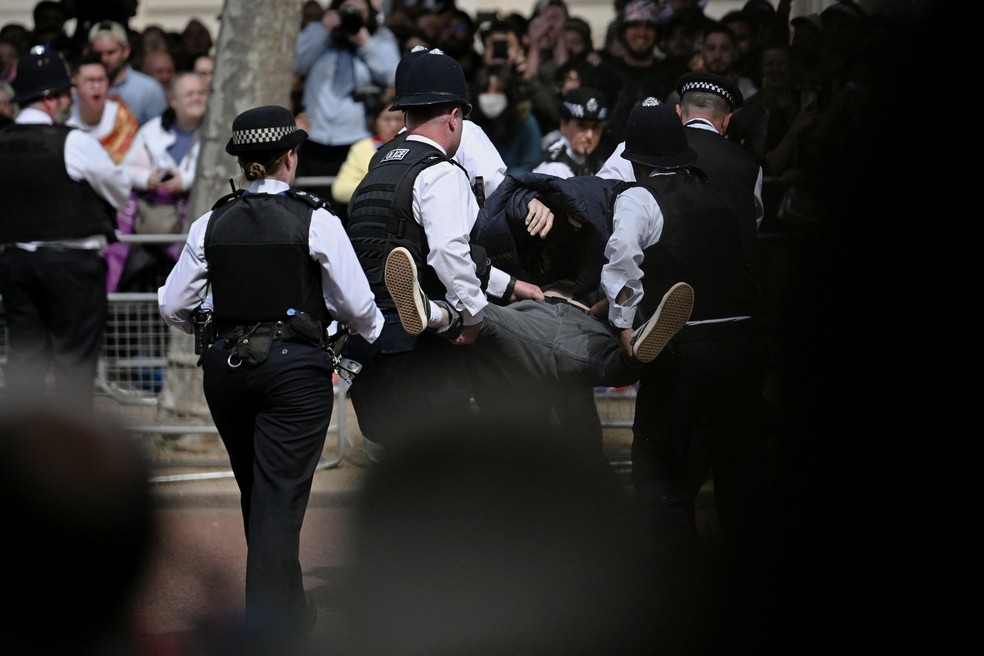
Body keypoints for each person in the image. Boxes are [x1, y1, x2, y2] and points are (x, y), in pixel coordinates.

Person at [157, 104, 384, 633]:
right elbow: (356, 305)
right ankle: (266, 627)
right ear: (289, 156)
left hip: (226, 369)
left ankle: (288, 607)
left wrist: (215, 329)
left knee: (259, 492)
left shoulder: (210, 222)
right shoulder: (315, 219)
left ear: (242, 161)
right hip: (295, 373)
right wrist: (369, 339)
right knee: (277, 498)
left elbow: (172, 305)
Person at [343, 48, 548, 448]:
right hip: (421, 353)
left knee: (401, 477)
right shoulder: (439, 172)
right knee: (440, 481)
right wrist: (472, 317)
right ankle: (433, 311)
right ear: (455, 117)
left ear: (403, 114)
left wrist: (511, 286)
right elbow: (450, 254)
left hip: (369, 347)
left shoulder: (375, 169)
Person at [603, 99, 771, 566]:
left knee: (663, 484)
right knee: (737, 477)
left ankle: (675, 598)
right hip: (742, 346)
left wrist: (623, 325)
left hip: (686, 353)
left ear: (634, 157)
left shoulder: (639, 196)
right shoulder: (711, 192)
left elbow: (621, 256)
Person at [0, 46, 129, 412]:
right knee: (74, 365)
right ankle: (68, 460)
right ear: (54, 99)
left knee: (25, 361)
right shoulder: (73, 141)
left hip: (16, 265)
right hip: (71, 266)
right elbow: (118, 190)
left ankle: (19, 455)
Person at [294, 0, 400, 199]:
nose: (352, 15)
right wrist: (323, 30)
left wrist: (365, 42)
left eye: (359, 11)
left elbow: (394, 74)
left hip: (356, 136)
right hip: (316, 134)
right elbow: (296, 64)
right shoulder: (319, 33)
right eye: (347, 10)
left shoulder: (380, 37)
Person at [114, 71, 207, 294]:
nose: (197, 98)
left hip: (198, 223)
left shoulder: (215, 131)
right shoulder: (152, 131)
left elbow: (224, 169)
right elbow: (125, 170)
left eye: (201, 93)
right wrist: (147, 178)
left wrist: (185, 181)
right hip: (154, 227)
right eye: (190, 94)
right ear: (173, 101)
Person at [330, 90, 404, 209]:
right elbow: (340, 190)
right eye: (387, 120)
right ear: (375, 122)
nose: (393, 126)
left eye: (398, 119)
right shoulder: (362, 148)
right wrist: (379, 187)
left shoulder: (413, 145)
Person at [86, 20, 167, 125]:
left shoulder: (148, 90)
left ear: (126, 51)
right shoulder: (81, 89)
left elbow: (162, 134)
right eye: (98, 53)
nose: (104, 59)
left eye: (111, 52)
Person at [469, 63, 543, 174]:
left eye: (498, 91)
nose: (491, 98)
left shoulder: (526, 121)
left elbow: (532, 166)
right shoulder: (469, 124)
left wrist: (501, 180)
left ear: (509, 94)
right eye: (485, 92)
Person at [67, 52, 138, 165]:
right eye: (90, 80)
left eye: (101, 80)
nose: (96, 86)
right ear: (74, 87)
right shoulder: (65, 120)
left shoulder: (123, 117)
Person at [533, 85, 608, 178]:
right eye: (581, 126)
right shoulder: (553, 169)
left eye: (595, 127)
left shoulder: (598, 162)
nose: (589, 135)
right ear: (563, 125)